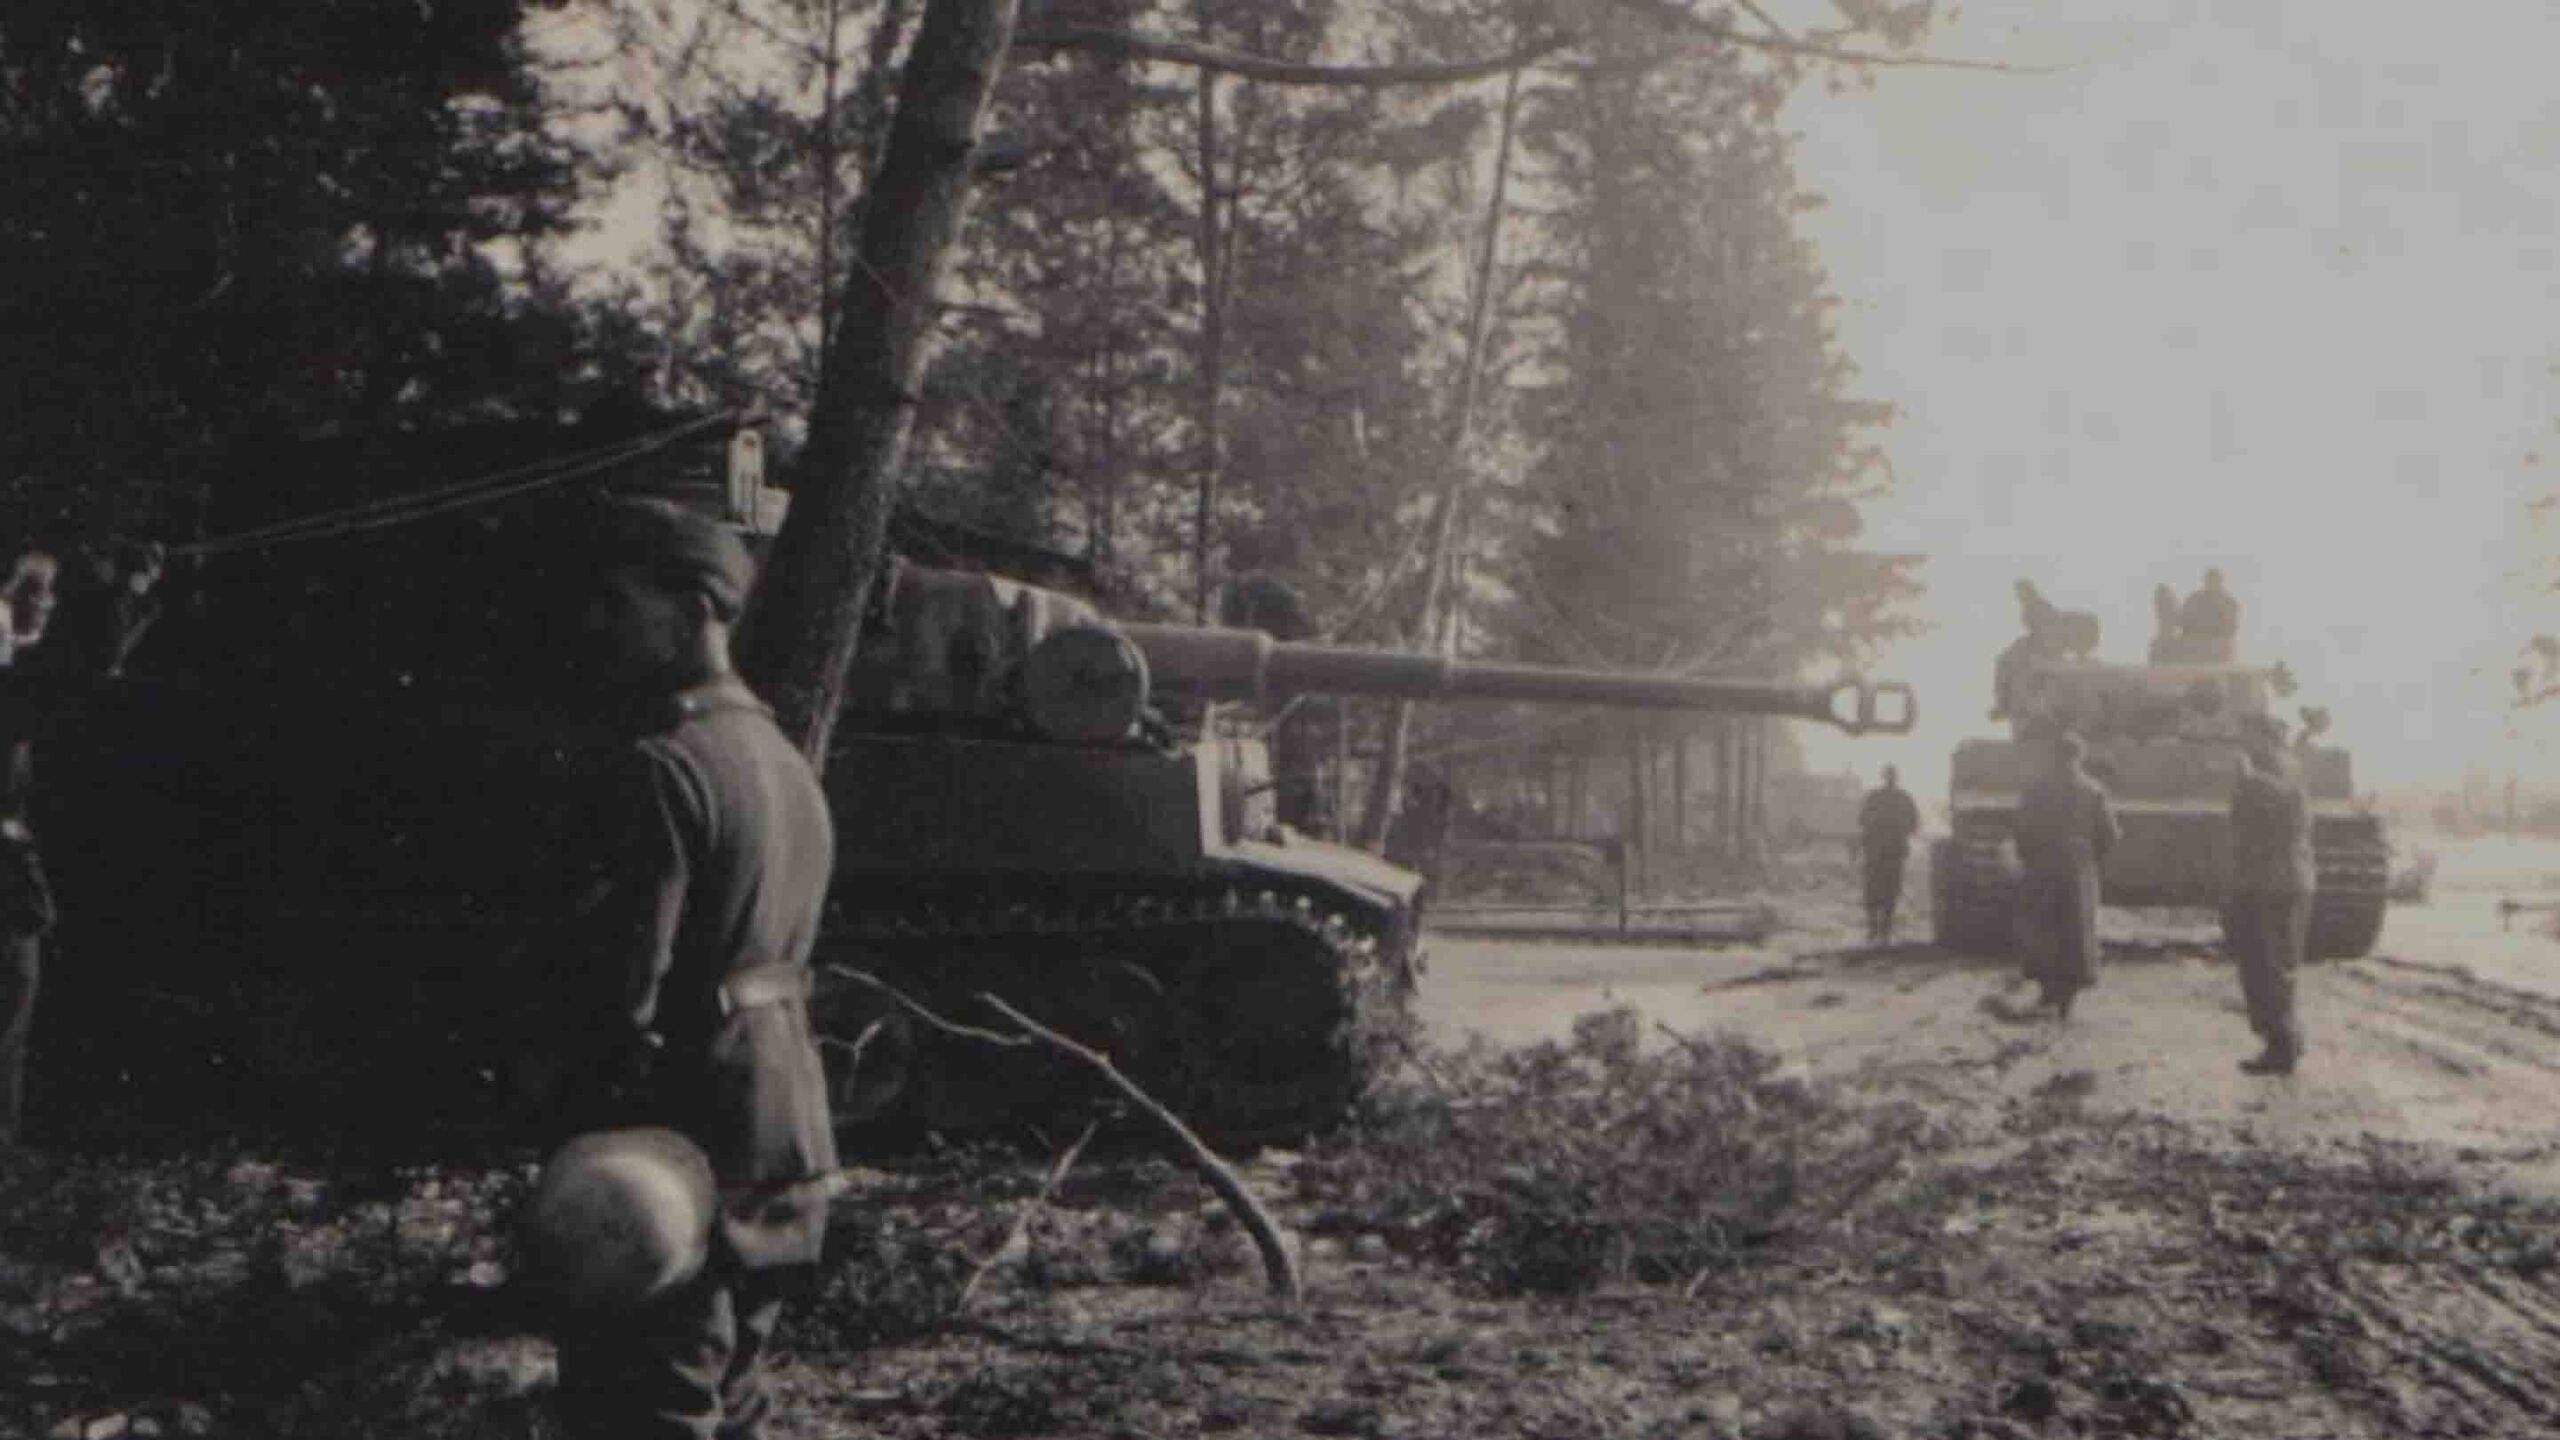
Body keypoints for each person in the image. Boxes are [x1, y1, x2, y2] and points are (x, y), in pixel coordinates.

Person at [542, 497, 839, 1440]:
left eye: (618, 602)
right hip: (782, 1132)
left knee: (640, 1411)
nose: (597, 625)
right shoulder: (783, 763)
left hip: (677, 1146)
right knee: (731, 1395)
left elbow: (619, 996)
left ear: (695, 607)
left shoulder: (664, 767)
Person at [2010, 725, 2118, 1020]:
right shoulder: (2094, 791)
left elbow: (2021, 829)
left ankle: (2048, 990)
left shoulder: (2036, 789)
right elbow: (2109, 835)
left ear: (2053, 757)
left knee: (2044, 928)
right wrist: (2088, 858)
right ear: (2079, 757)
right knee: (2076, 931)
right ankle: (2067, 998)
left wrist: (2032, 858)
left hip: (2044, 865)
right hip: (2077, 868)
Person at [2226, 716, 2312, 1075]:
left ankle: (2282, 1044)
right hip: (2267, 878)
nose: (2243, 742)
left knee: (2271, 963)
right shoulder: (2274, 765)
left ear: (2265, 737)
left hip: (2274, 880)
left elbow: (2288, 807)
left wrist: (2249, 780)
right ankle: (2282, 1039)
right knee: (2263, 962)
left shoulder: (2278, 768)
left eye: (2248, 735)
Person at [1858, 765, 1922, 945]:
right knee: (1889, 889)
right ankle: (1882, 929)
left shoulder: (1874, 797)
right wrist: (1899, 830)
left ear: (1884, 777)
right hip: (1892, 851)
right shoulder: (1903, 798)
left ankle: (1875, 928)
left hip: (1877, 851)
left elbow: (1862, 820)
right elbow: (1914, 824)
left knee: (1875, 888)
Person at [2178, 568, 2239, 662]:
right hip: (2193, 644)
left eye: (2214, 580)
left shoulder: (2228, 602)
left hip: (2217, 647)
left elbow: (2230, 629)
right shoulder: (2194, 599)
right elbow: (2183, 623)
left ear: (2220, 582)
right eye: (2208, 580)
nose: (2211, 583)